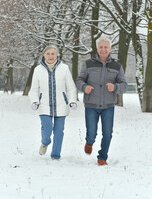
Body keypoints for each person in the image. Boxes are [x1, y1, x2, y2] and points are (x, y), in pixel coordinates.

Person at [76, 36, 127, 165]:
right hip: (91, 104)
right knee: (92, 132)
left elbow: (124, 85)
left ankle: (102, 157)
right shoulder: (88, 64)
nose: (103, 49)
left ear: (110, 49)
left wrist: (115, 87)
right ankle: (89, 141)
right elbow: (79, 80)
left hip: (108, 105)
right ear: (97, 49)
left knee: (108, 133)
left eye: (106, 47)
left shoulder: (117, 66)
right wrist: (84, 87)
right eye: (101, 47)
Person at [29, 45, 77, 160]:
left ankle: (55, 155)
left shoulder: (64, 68)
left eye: (53, 54)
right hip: (44, 105)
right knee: (47, 127)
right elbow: (34, 88)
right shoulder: (38, 70)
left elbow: (71, 87)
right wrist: (35, 101)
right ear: (44, 55)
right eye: (48, 54)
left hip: (61, 105)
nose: (50, 56)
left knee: (59, 131)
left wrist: (72, 101)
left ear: (57, 55)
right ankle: (45, 142)